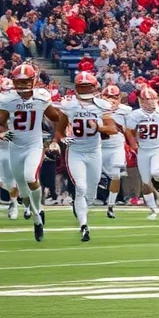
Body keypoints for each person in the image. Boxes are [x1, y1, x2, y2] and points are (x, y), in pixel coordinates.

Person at [0, 63, 66, 242]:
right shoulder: (8, 99)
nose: (22, 85)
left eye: (26, 81)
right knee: (23, 192)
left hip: (34, 145)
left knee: (30, 177)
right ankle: (36, 213)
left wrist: (56, 139)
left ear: (33, 81)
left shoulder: (41, 97)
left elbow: (58, 118)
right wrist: (2, 132)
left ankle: (38, 213)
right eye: (19, 81)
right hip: (15, 148)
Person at [55, 72, 118, 242]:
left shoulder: (101, 105)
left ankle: (80, 208)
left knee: (91, 192)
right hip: (75, 151)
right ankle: (84, 226)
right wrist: (61, 140)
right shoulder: (69, 105)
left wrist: (98, 128)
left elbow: (113, 130)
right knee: (81, 188)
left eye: (87, 86)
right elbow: (59, 131)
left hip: (94, 151)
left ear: (95, 87)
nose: (85, 90)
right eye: (82, 87)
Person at [124, 87, 159, 219]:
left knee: (155, 173)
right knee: (145, 181)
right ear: (141, 101)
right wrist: (134, 145)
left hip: (157, 148)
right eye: (146, 99)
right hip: (143, 149)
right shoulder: (136, 114)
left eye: (151, 99)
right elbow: (129, 131)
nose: (149, 102)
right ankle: (153, 208)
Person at [100, 85, 141, 217]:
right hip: (99, 147)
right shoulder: (96, 109)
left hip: (117, 146)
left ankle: (111, 204)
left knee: (117, 175)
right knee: (97, 176)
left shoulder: (126, 111)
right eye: (109, 97)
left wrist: (134, 146)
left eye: (115, 97)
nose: (112, 100)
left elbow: (129, 130)